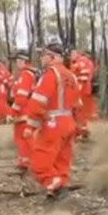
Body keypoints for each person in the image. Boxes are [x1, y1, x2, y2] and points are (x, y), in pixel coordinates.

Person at [23, 43, 83, 199]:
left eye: (43, 55)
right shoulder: (72, 76)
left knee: (40, 160)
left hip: (53, 123)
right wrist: (77, 125)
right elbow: (78, 104)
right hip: (69, 122)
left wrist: (31, 125)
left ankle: (52, 181)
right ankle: (59, 188)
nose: (41, 58)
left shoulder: (51, 74)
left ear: (52, 57)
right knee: (62, 159)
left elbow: (38, 101)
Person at [9, 51, 37, 169]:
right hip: (23, 111)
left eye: (18, 61)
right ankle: (24, 161)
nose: (16, 63)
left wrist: (13, 111)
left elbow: (22, 95)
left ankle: (34, 161)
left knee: (26, 137)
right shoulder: (24, 74)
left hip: (25, 111)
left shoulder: (26, 75)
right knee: (21, 137)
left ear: (23, 61)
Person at [70, 49, 97, 138]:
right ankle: (83, 129)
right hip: (87, 89)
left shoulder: (81, 61)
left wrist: (78, 89)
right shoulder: (90, 63)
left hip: (81, 89)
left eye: (72, 54)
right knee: (83, 110)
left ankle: (79, 131)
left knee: (78, 109)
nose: (71, 56)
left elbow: (82, 76)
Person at [0, 61, 13, 125]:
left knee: (1, 103)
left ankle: (8, 115)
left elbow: (4, 80)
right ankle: (1, 116)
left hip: (1, 89)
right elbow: (10, 79)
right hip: (1, 89)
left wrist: (6, 84)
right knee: (0, 103)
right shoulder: (5, 71)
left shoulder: (1, 71)